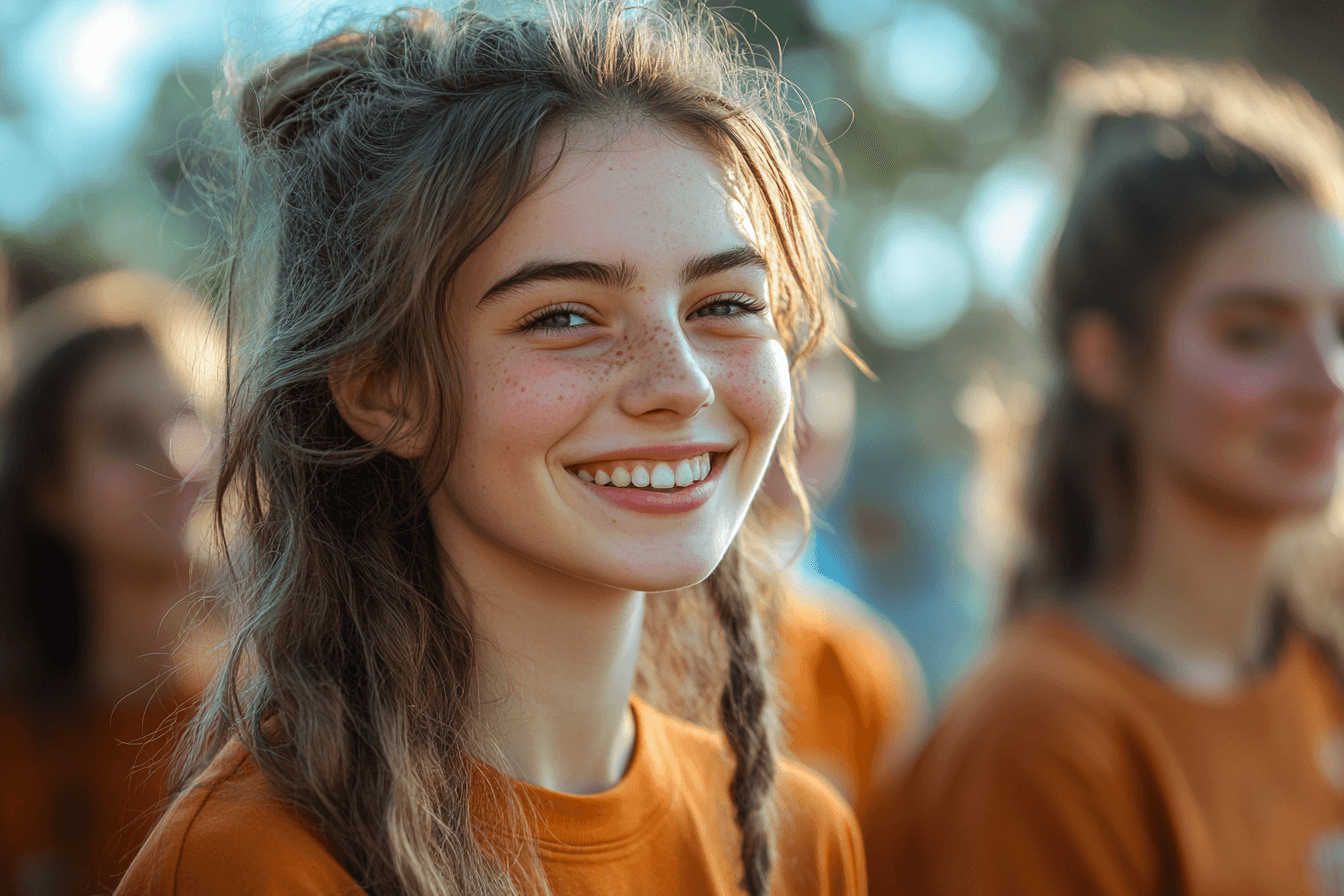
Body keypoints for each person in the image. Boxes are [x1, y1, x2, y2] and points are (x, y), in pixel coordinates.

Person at [115, 5, 865, 896]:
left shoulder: (797, 841)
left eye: (727, 303)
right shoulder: (253, 867)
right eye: (563, 316)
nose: (683, 382)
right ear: (383, 389)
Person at [863, 56, 1344, 895]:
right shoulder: (1042, 734)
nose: (1325, 378)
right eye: (1253, 333)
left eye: (1340, 326)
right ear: (1107, 359)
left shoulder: (1319, 670)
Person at [0, 271, 220, 896]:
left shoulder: (297, 716)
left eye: (192, 417)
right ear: (51, 491)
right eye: (122, 433)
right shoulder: (15, 744)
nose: (179, 460)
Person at [762, 315, 927, 823]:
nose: (812, 405)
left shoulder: (861, 669)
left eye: (827, 363)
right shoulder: (610, 648)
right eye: (778, 355)